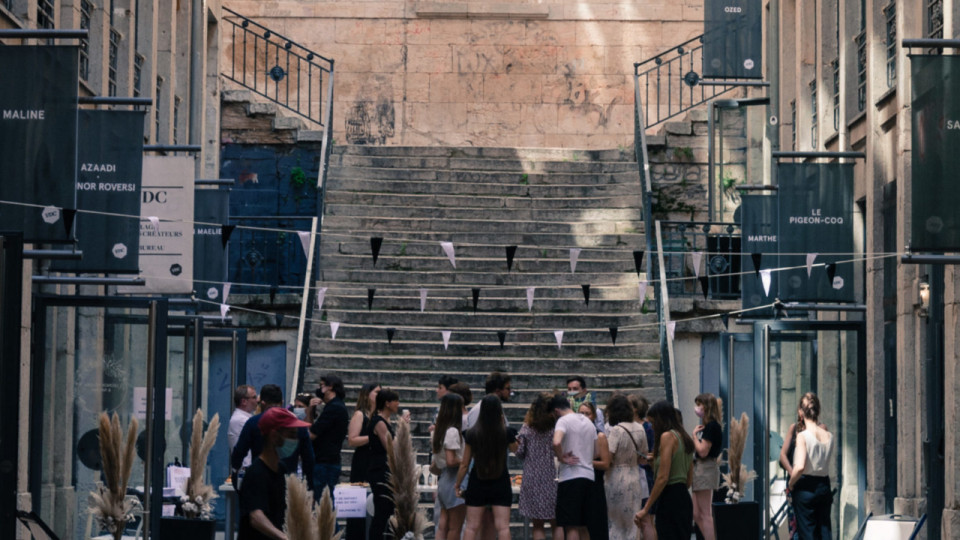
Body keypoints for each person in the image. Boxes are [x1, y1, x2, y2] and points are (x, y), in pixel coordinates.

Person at [238, 406, 311, 540]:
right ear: (274, 435)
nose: (295, 440)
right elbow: (256, 516)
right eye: (291, 435)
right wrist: (283, 537)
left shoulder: (281, 469)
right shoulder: (256, 473)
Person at [455, 395, 518, 540]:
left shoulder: (472, 433)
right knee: (503, 527)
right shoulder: (506, 433)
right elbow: (517, 451)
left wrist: (458, 484)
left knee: (471, 526)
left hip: (478, 480)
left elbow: (465, 464)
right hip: (500, 480)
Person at [232, 384, 314, 488]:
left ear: (262, 403)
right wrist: (310, 487)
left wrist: (236, 473)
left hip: (260, 482)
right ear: (282, 402)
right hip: (289, 484)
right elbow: (309, 459)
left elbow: (239, 453)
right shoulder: (297, 425)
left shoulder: (252, 423)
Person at [633, 401, 694, 540]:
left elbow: (662, 478)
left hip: (669, 499)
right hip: (683, 497)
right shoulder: (685, 437)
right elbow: (689, 480)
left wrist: (645, 509)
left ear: (661, 420)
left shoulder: (667, 436)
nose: (652, 427)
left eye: (653, 423)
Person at [550, 393, 597, 540]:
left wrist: (561, 457)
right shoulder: (589, 423)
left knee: (571, 525)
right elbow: (597, 452)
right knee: (584, 525)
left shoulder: (563, 421)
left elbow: (556, 442)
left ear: (556, 411)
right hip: (589, 476)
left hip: (571, 477)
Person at [788, 392, 834, 540]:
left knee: (808, 534)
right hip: (824, 485)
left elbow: (800, 466)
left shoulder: (803, 436)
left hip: (805, 488)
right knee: (824, 533)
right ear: (818, 410)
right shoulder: (829, 436)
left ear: (801, 412)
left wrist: (791, 483)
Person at [603, 395, 649, 540]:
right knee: (632, 524)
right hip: (634, 476)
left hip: (616, 478)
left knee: (616, 524)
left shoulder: (616, 430)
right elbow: (643, 457)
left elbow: (608, 459)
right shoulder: (640, 428)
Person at [515, 393, 560, 540]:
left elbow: (520, 452)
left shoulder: (527, 428)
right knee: (557, 523)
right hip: (555, 477)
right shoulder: (557, 428)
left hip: (533, 478)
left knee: (538, 525)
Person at [344, 382, 380, 540]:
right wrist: (372, 437)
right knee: (359, 504)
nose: (379, 395)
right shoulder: (360, 414)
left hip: (376, 461)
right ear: (367, 394)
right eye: (377, 392)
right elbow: (352, 440)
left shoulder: (378, 415)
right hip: (363, 461)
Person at [310, 375, 349, 502]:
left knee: (322, 503)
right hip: (327, 460)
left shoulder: (334, 408)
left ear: (330, 387)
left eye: (322, 385)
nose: (319, 389)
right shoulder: (335, 406)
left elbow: (312, 433)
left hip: (325, 462)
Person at [433, 393, 467, 540]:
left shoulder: (438, 431)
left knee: (443, 524)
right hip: (454, 479)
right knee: (455, 526)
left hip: (444, 480)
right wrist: (466, 459)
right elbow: (451, 460)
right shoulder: (452, 431)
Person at [368, 388, 400, 540]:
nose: (398, 404)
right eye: (396, 401)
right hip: (380, 470)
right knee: (382, 511)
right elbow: (390, 447)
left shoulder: (385, 421)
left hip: (385, 470)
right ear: (387, 403)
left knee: (387, 510)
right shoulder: (379, 422)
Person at [691, 393, 723, 540]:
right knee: (696, 514)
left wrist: (694, 437)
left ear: (707, 406)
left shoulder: (712, 426)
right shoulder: (709, 426)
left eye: (700, 404)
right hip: (701, 469)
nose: (697, 408)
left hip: (706, 468)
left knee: (705, 513)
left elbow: (703, 451)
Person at [578, 402, 610, 540]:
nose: (584, 416)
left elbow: (605, 463)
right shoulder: (575, 434)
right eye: (581, 413)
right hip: (578, 482)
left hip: (595, 483)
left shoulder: (600, 436)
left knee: (596, 524)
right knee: (580, 524)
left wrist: (586, 461)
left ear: (593, 416)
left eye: (587, 413)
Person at [627, 394, 656, 540]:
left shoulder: (647, 428)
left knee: (647, 518)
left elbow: (653, 452)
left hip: (646, 475)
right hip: (638, 474)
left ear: (636, 409)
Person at [230, 385, 258, 469]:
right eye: (254, 397)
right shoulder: (241, 420)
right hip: (245, 469)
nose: (257, 400)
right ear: (244, 401)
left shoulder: (245, 418)